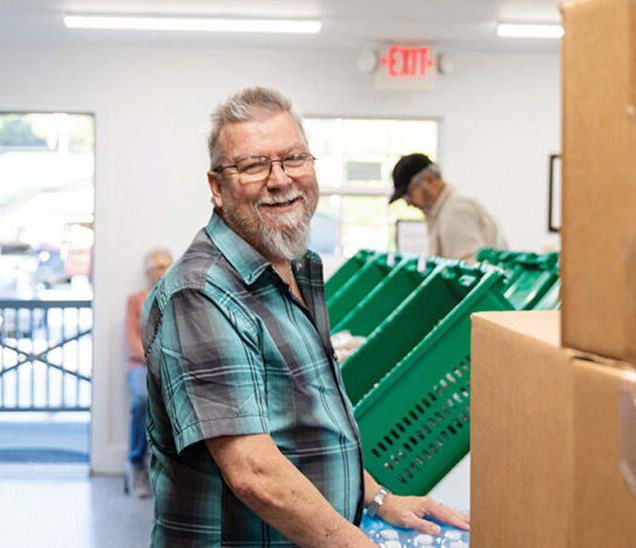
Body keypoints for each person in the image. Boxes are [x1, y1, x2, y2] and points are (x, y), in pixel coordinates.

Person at [141, 87, 470, 546]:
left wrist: (378, 500)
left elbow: (309, 426)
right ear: (218, 187)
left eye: (293, 158)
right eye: (254, 165)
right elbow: (253, 469)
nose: (280, 180)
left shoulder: (296, 268)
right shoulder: (201, 293)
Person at [389, 153, 506, 260]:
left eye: (409, 194)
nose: (408, 203)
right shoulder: (441, 211)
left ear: (428, 180)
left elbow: (470, 269)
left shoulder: (455, 210)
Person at [123, 248, 174, 498]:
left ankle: (171, 471)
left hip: (170, 367)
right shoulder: (136, 300)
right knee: (143, 400)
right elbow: (132, 338)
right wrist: (152, 358)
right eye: (158, 267)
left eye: (167, 265)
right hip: (141, 366)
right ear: (148, 272)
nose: (163, 271)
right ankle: (136, 464)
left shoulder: (176, 297)